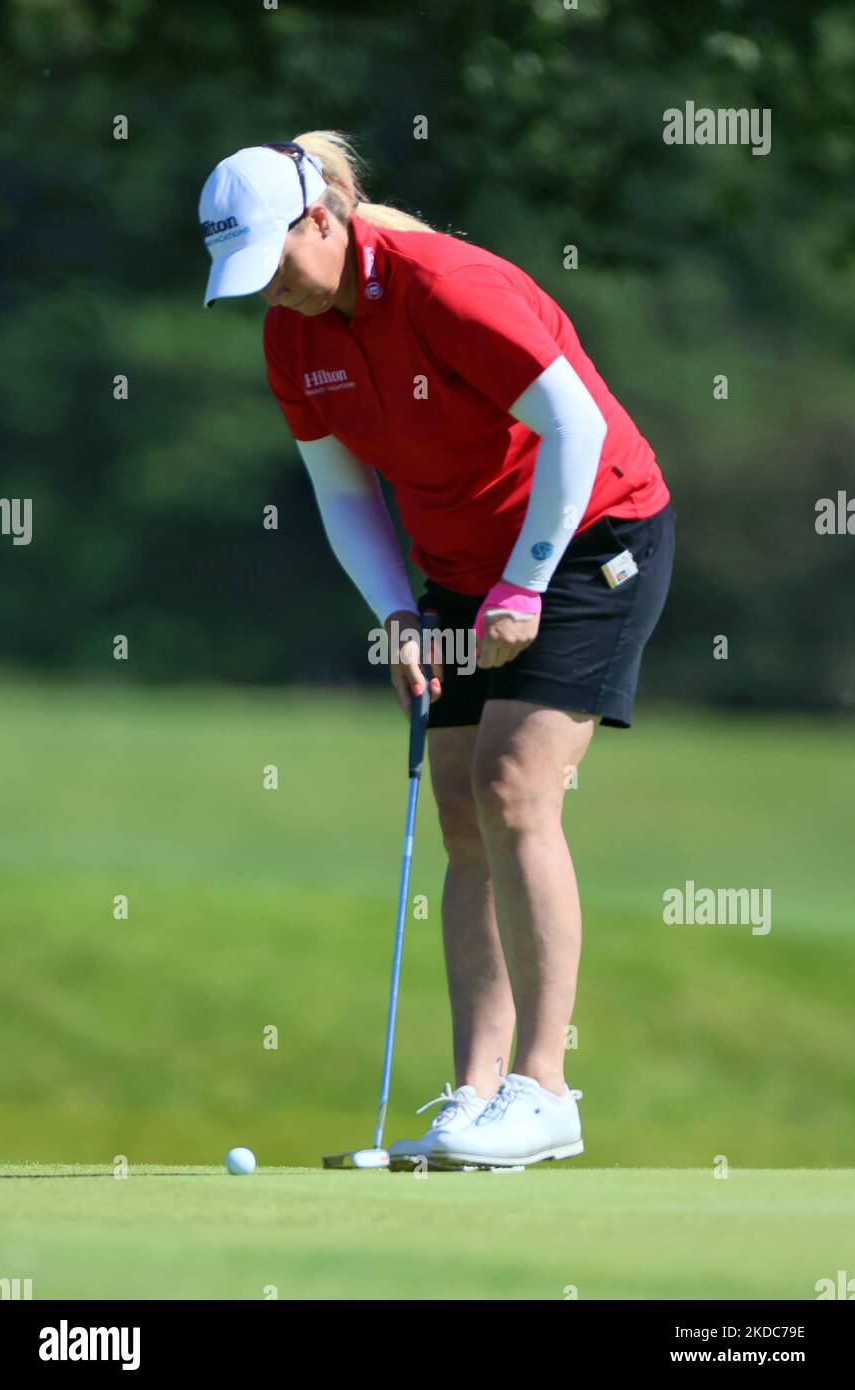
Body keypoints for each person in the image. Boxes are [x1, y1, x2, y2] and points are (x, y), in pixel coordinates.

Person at [198, 131, 675, 1169]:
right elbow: (337, 491)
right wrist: (395, 613)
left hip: (591, 537)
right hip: (461, 563)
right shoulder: (294, 333)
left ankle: (545, 1089)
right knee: (458, 800)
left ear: (318, 218)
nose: (271, 294)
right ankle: (473, 1095)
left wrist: (524, 581)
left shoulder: (448, 287)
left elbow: (576, 429)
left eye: (276, 265)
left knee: (512, 785)